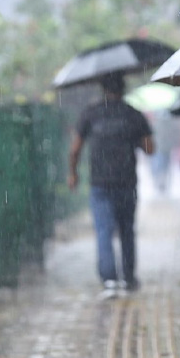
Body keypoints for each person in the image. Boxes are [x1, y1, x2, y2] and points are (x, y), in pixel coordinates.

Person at [67, 73, 155, 298]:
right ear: (123, 88)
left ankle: (109, 280)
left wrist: (73, 174)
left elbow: (75, 148)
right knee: (127, 231)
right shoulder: (133, 114)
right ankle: (129, 277)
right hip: (127, 183)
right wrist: (134, 138)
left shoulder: (90, 113)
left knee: (104, 231)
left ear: (102, 89)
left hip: (100, 184)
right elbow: (150, 148)